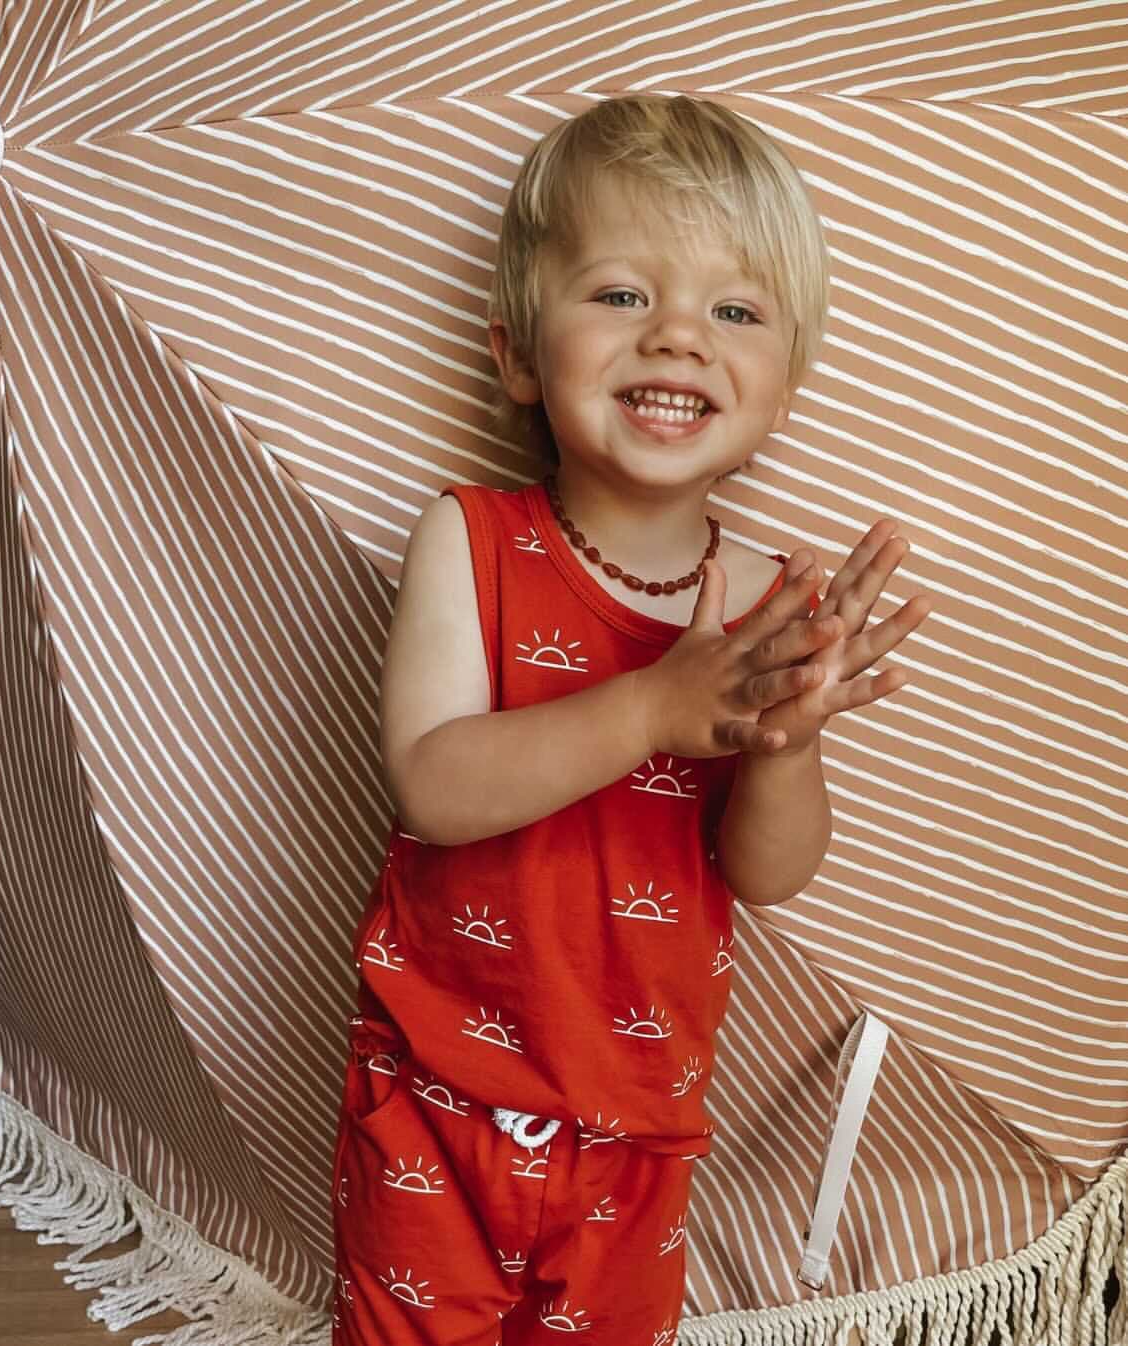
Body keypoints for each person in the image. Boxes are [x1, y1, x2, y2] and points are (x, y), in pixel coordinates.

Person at [330, 93, 932, 1345]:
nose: (678, 336)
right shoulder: (470, 539)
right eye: (619, 294)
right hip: (439, 1099)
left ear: (784, 386)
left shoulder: (769, 603)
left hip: (639, 1128)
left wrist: (790, 744)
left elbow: (767, 872)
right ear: (516, 357)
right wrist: (657, 700)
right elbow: (433, 783)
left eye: (736, 312)